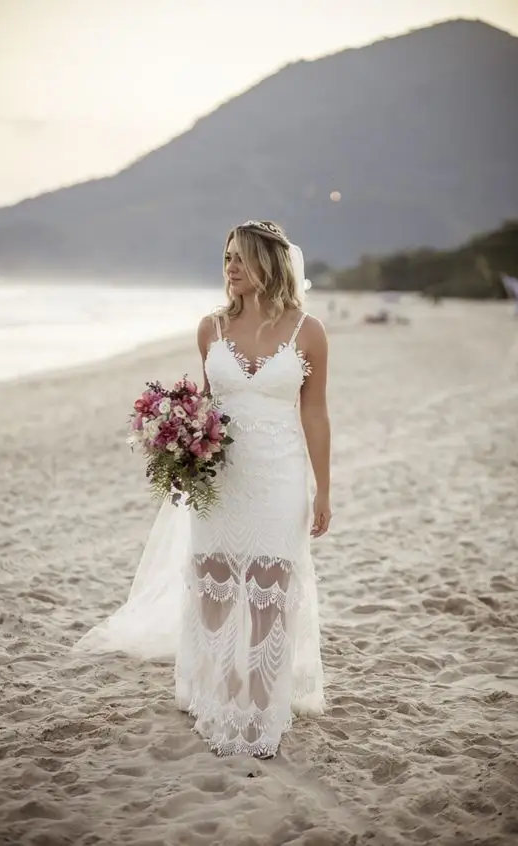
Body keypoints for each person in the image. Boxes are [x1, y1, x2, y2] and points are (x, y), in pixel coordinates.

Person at [74, 220, 331, 759]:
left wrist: (323, 489)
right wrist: (179, 439)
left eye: (240, 257)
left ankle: (260, 708)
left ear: (269, 262)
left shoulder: (309, 331)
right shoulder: (210, 328)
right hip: (223, 478)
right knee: (214, 586)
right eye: (227, 257)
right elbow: (209, 406)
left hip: (281, 476)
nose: (230, 267)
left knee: (269, 588)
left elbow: (315, 412)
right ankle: (217, 694)